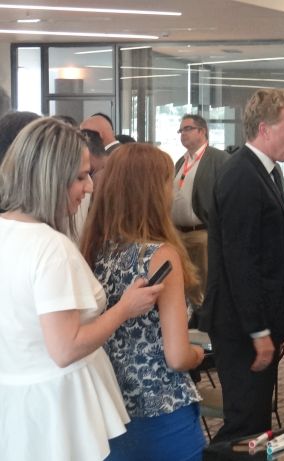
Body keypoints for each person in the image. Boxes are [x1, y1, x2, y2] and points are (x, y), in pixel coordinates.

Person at [0, 118, 162, 460]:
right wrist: (125, 308)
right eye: (79, 177)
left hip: (22, 397)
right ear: (49, 178)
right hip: (60, 405)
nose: (89, 187)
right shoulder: (49, 247)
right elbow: (65, 348)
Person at [199, 88, 284, 443]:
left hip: (256, 323)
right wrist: (258, 333)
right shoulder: (242, 176)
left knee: (256, 422)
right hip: (241, 327)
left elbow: (259, 240)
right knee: (244, 427)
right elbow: (239, 262)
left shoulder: (265, 170)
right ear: (264, 129)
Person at [81, 143, 206, 460]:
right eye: (168, 183)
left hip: (107, 409)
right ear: (151, 191)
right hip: (162, 412)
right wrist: (197, 354)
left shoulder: (91, 250)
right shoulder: (159, 256)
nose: (173, 192)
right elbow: (176, 357)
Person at [172, 114, 229, 307]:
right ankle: (189, 316)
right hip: (179, 234)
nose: (183, 133)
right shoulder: (181, 162)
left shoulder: (218, 159)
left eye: (188, 129)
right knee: (185, 284)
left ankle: (205, 316)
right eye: (181, 130)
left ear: (202, 131)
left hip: (203, 234)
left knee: (204, 284)